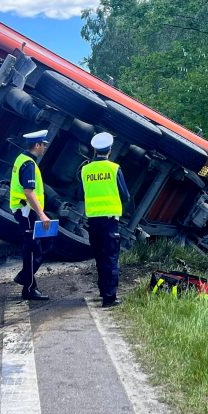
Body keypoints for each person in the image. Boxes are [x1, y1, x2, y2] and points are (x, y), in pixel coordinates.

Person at [80, 132, 130, 308]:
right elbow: (125, 195)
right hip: (110, 220)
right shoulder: (114, 168)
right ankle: (109, 297)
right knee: (111, 258)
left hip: (92, 220)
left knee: (100, 257)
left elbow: (81, 193)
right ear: (109, 150)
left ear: (95, 150)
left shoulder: (85, 170)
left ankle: (103, 290)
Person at [10, 130, 51, 301]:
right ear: (37, 145)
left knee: (38, 247)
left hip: (27, 212)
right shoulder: (29, 164)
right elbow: (28, 192)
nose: (45, 148)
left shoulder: (22, 159)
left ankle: (25, 278)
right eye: (43, 144)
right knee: (34, 250)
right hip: (28, 212)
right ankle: (28, 288)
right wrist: (42, 214)